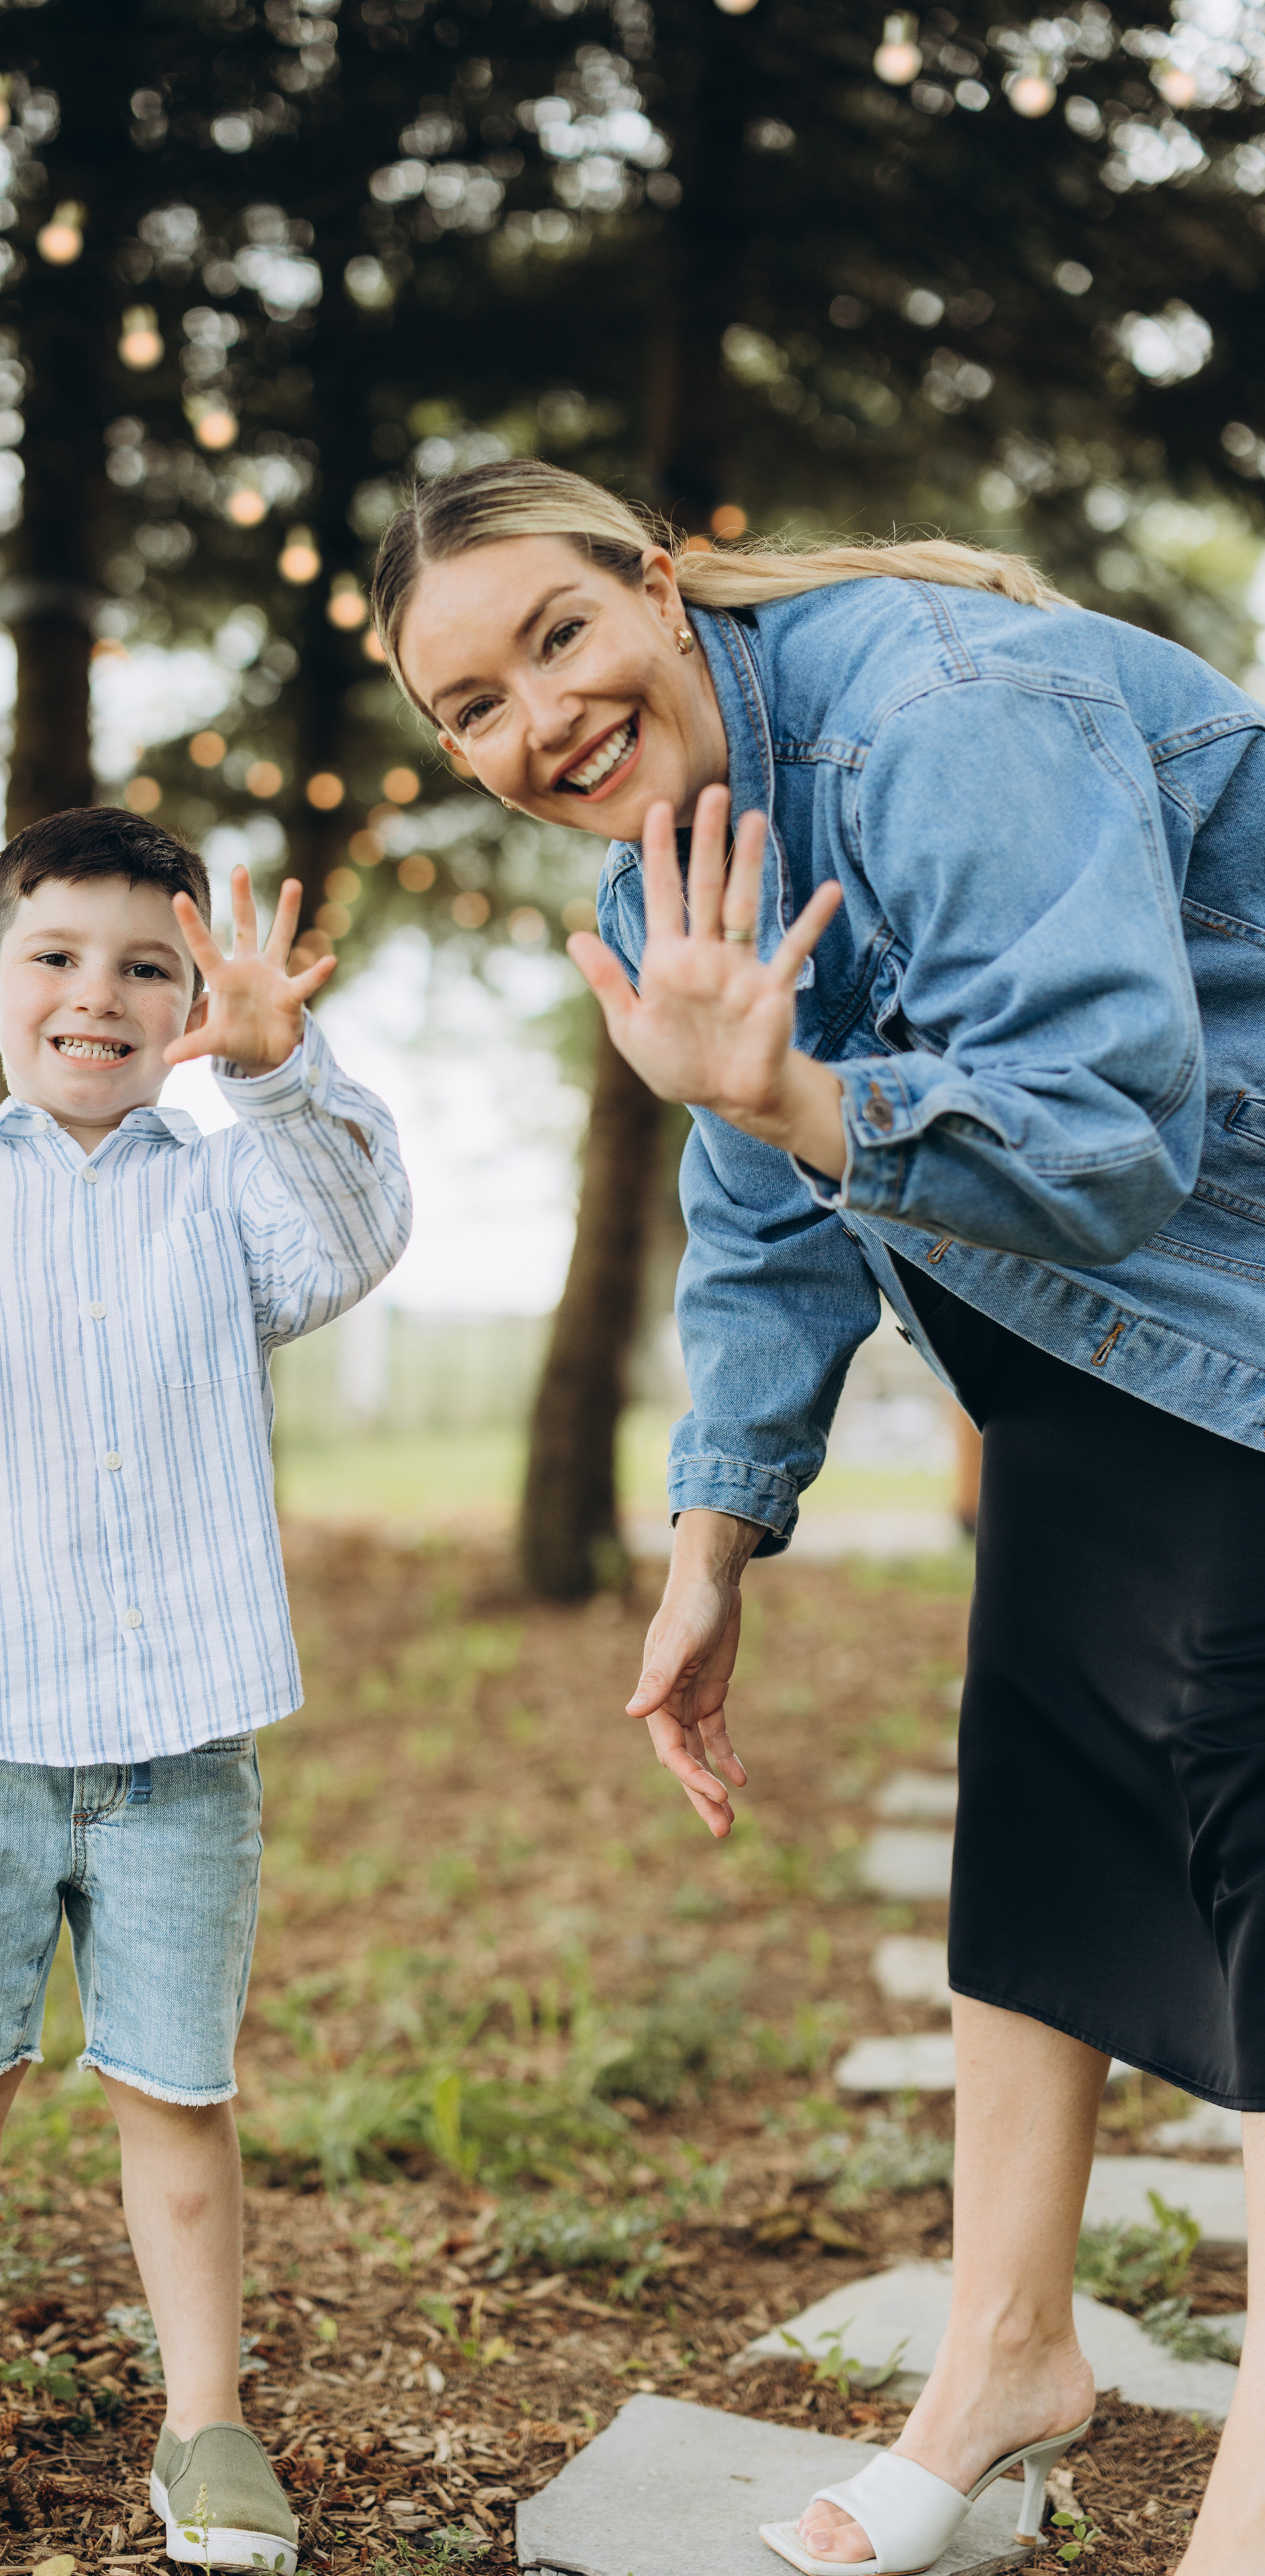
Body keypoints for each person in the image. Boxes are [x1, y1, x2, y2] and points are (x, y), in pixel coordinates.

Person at [372, 457, 1265, 2575]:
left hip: (1231, 1294)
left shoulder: (941, 714)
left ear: (661, 588)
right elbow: (762, 1218)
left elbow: (1119, 1127)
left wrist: (781, 1087)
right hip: (1095, 1355)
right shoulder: (664, 861)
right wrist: (712, 1546)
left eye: (556, 639)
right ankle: (1008, 2359)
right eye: (470, 708)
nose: (534, 724)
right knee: (1043, 1813)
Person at [0, 808, 410, 2575]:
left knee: (175, 2100)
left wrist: (282, 1072)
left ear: (192, 997)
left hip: (177, 1748)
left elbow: (355, 1236)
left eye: (147, 968)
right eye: (55, 957)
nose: (96, 997)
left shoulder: (229, 1195)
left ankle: (206, 2428)